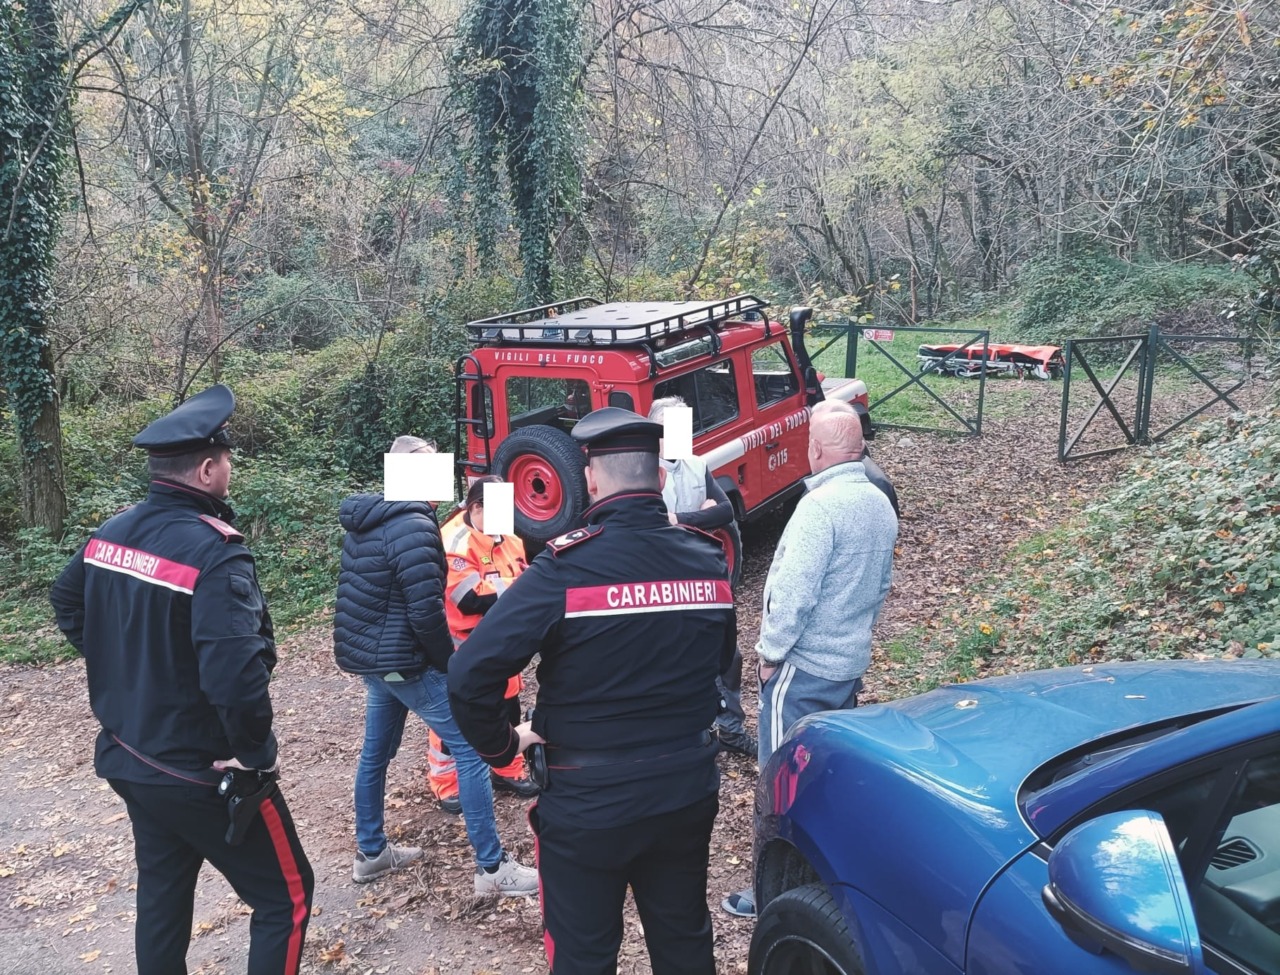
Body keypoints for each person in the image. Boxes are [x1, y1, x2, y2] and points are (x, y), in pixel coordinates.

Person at [448, 407, 737, 975]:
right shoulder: (708, 560)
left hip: (589, 801)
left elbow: (469, 673)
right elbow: (722, 659)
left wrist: (503, 745)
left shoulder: (564, 568)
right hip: (685, 787)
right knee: (684, 939)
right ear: (660, 477)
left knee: (583, 955)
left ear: (590, 480)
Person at [49, 384, 314, 975]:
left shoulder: (112, 531)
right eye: (227, 462)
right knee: (286, 897)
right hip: (201, 769)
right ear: (206, 470)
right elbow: (235, 673)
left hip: (132, 754)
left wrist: (124, 666)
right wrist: (255, 755)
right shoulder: (214, 551)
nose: (230, 471)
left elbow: (66, 600)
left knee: (162, 896)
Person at [333, 435, 537, 895]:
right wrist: (450, 666)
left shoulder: (368, 521)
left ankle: (371, 852)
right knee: (470, 748)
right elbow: (426, 612)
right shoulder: (417, 526)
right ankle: (492, 868)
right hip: (405, 661)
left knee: (375, 754)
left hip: (374, 661)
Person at [721, 402, 897, 919]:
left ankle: (769, 891)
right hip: (848, 663)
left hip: (801, 669)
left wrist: (770, 654)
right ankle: (831, 876)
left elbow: (793, 594)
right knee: (829, 774)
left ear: (815, 449)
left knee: (779, 779)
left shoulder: (819, 508)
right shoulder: (879, 501)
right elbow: (881, 586)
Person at [647, 396, 755, 758]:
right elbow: (653, 525)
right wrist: (700, 515)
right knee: (675, 660)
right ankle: (686, 738)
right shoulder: (644, 472)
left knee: (729, 656)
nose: (683, 435)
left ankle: (730, 729)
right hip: (665, 583)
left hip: (705, 577)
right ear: (656, 432)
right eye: (672, 428)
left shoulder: (696, 464)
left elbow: (725, 511)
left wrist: (680, 519)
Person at [427, 475, 540, 806]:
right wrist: (518, 587)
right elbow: (468, 598)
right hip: (464, 644)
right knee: (455, 716)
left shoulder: (510, 539)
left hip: (505, 640)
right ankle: (446, 784)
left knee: (507, 705)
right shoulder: (454, 541)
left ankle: (507, 768)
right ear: (476, 507)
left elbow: (524, 579)